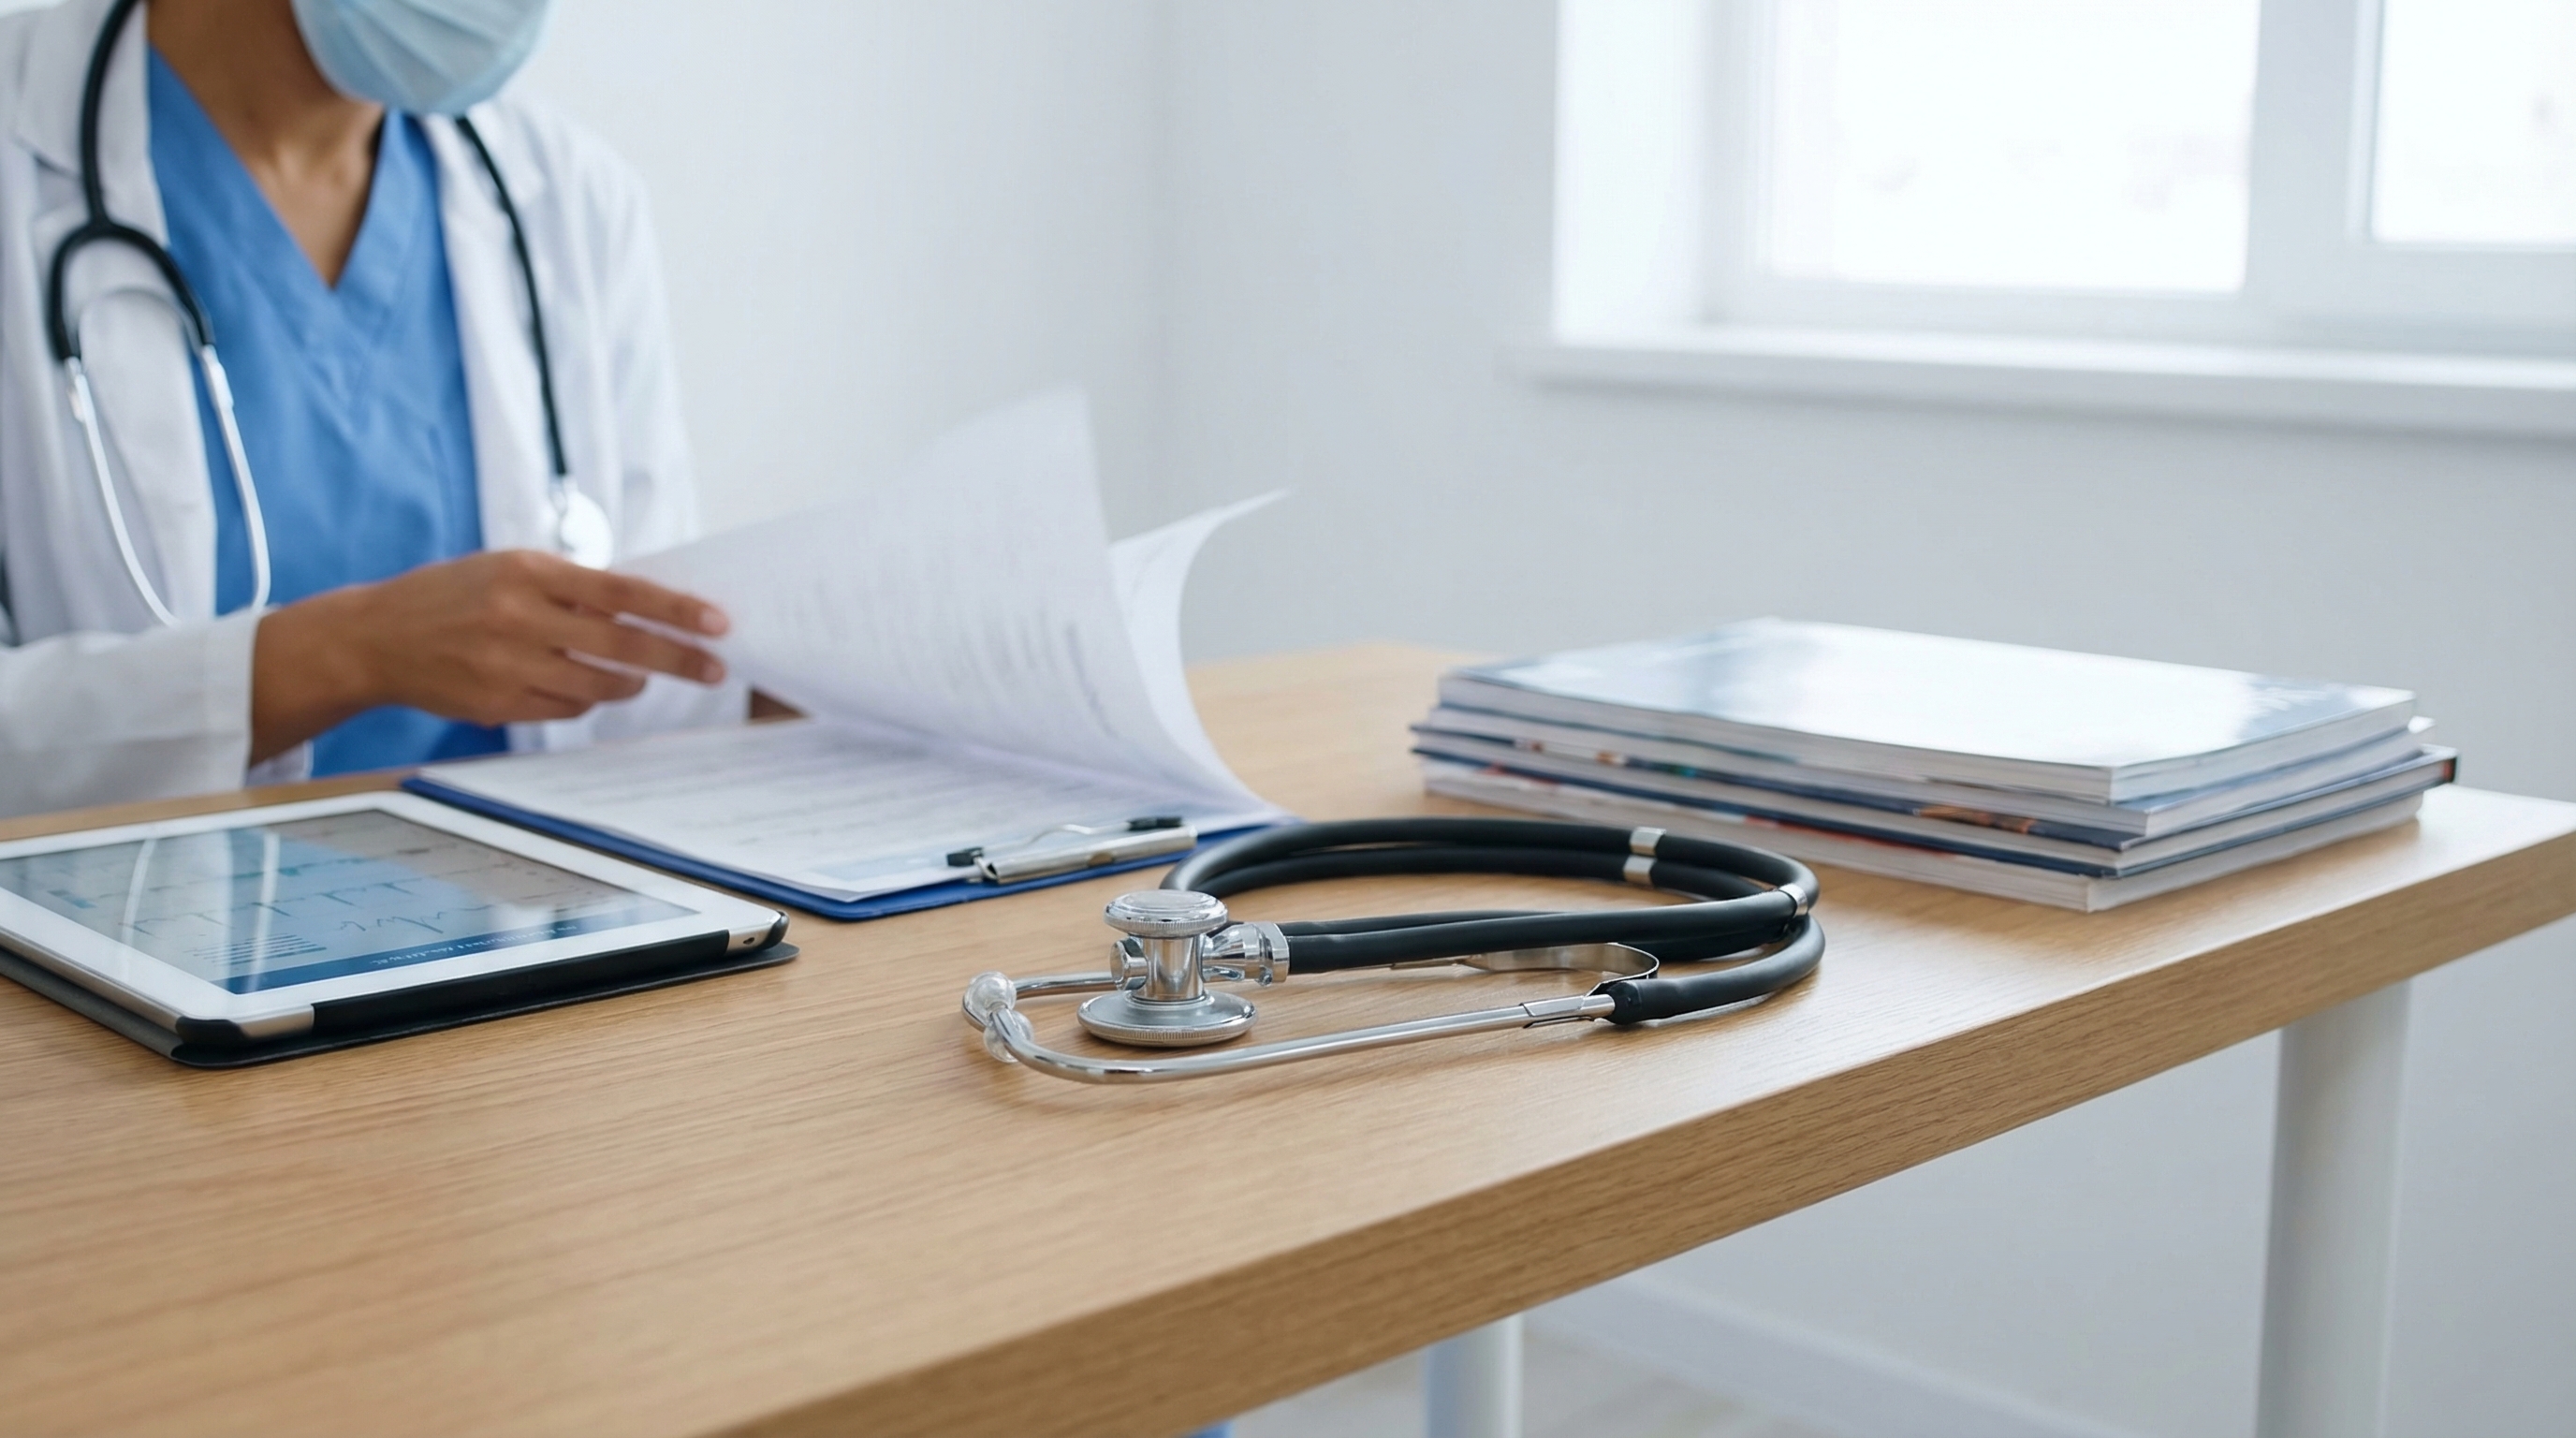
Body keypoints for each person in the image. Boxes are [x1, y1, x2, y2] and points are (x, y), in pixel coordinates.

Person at [0, 0, 742, 820]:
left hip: (529, 914)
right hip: (119, 925)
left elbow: (661, 684)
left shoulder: (569, 197)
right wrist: (341, 655)